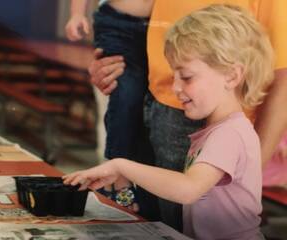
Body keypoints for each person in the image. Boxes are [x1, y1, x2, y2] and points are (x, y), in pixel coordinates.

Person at [64, 4, 274, 239]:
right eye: (174, 76)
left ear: (232, 75)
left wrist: (121, 166)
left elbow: (188, 189)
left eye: (186, 77)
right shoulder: (215, 130)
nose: (175, 87)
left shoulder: (230, 135)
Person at [65, 0, 154, 211]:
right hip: (118, 25)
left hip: (158, 27)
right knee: (126, 95)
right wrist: (77, 14)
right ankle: (118, 178)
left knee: (147, 109)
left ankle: (141, 192)